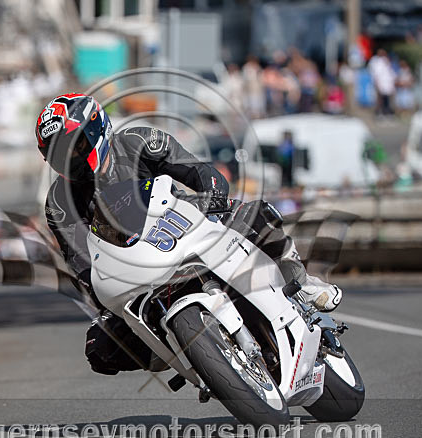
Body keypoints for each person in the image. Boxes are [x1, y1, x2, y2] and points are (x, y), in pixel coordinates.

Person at [36, 93, 342, 374]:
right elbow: (81, 262)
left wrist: (214, 201)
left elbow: (198, 172)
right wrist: (106, 303)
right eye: (57, 154)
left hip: (185, 225)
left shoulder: (138, 141)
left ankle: (300, 283)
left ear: (94, 129)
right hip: (135, 269)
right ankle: (184, 350)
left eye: (72, 146)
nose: (68, 159)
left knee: (254, 212)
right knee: (99, 349)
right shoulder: (59, 202)